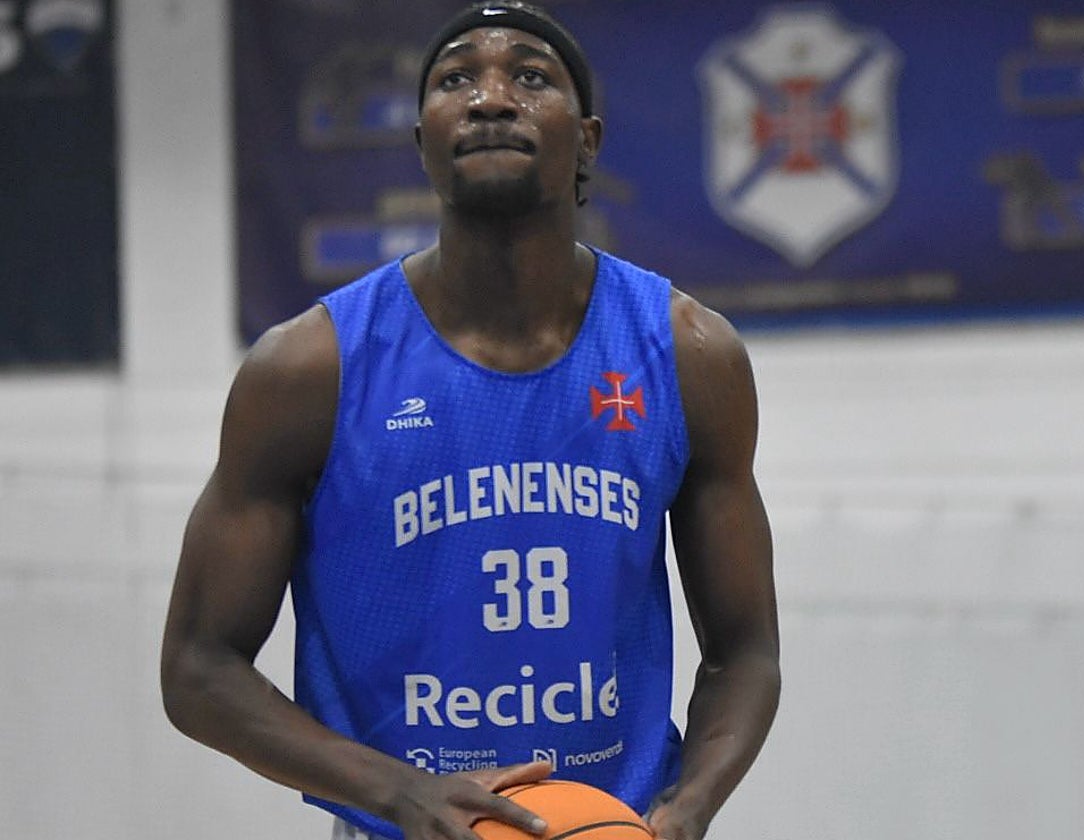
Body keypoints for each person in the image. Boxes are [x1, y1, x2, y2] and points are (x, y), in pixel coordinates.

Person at [160, 3, 780, 839]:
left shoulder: (687, 354)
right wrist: (397, 791)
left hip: (615, 823)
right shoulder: (308, 370)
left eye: (530, 76)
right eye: (457, 78)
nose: (490, 98)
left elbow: (745, 651)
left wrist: (690, 807)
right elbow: (198, 667)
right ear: (423, 141)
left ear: (587, 140)